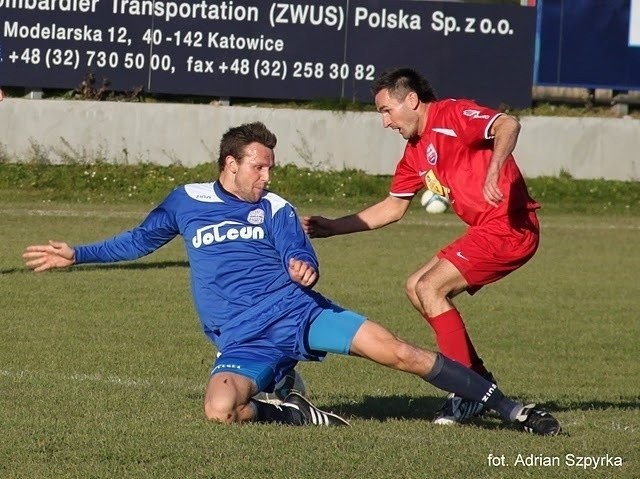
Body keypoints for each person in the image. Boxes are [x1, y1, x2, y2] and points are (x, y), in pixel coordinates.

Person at [22, 122, 559, 435]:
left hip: (299, 313)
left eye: (271, 167)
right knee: (220, 410)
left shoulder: (275, 206)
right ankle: (292, 410)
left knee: (398, 351)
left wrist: (305, 265)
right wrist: (80, 254)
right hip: (242, 336)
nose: (268, 175)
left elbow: (298, 249)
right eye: (259, 166)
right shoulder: (186, 202)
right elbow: (140, 240)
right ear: (230, 164)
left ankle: (508, 407)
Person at [303, 68, 542, 425]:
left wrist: (495, 168)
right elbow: (393, 207)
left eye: (386, 110)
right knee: (416, 287)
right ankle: (478, 383)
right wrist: (334, 227)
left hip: (510, 228)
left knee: (431, 287)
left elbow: (509, 124)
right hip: (487, 229)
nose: (385, 122)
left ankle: (466, 391)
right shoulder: (416, 151)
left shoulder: (453, 115)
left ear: (411, 100)